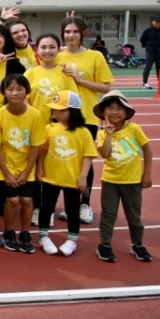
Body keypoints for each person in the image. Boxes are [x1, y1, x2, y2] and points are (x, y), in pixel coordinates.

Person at [58, 15, 113, 224]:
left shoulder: (95, 56)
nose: (71, 35)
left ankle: (85, 203)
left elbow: (106, 87)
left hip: (87, 116)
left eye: (75, 31)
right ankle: (68, 204)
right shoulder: (56, 55)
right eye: (67, 31)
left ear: (83, 33)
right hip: (60, 116)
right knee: (63, 159)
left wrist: (79, 80)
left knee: (85, 161)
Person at [0, 73, 46, 254]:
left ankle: (25, 233)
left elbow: (36, 145)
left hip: (27, 166)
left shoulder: (35, 115)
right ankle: (9, 232)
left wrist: (27, 172)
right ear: (3, 92)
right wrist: (8, 174)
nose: (15, 93)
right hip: (6, 166)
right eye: (10, 89)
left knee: (27, 200)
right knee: (12, 200)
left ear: (27, 91)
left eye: (19, 89)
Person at [94, 91, 153, 263]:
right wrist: (109, 134)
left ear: (127, 112)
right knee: (109, 214)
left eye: (120, 108)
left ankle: (137, 244)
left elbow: (148, 150)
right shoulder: (103, 133)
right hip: (110, 181)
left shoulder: (134, 129)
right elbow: (105, 154)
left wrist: (147, 173)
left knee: (134, 215)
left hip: (133, 181)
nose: (115, 112)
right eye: (110, 108)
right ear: (104, 113)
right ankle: (104, 244)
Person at [36, 91, 97, 257]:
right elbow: (42, 150)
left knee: (72, 209)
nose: (57, 113)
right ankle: (43, 236)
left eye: (62, 110)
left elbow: (88, 156)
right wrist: (39, 168)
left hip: (72, 179)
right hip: (51, 177)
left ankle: (72, 239)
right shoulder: (49, 128)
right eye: (55, 110)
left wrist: (83, 176)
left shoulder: (83, 132)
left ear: (74, 111)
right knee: (46, 207)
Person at [139, 16, 160, 90]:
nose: (157, 24)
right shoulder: (148, 30)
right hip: (150, 51)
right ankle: (145, 83)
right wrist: (147, 46)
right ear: (152, 22)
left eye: (158, 22)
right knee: (148, 67)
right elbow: (142, 39)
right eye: (156, 22)